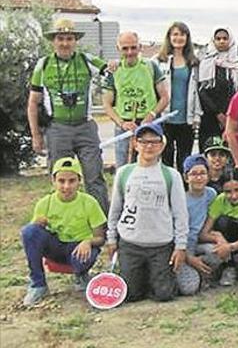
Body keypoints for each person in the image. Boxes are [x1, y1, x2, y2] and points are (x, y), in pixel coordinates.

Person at [28, 18, 109, 212]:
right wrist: (36, 135)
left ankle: (102, 225)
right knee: (61, 177)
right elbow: (33, 101)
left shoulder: (86, 60)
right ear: (53, 41)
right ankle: (62, 220)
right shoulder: (43, 64)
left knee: (94, 176)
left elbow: (113, 72)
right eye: (61, 38)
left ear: (75, 41)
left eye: (69, 38)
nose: (65, 43)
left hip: (85, 126)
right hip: (57, 128)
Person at [106, 123, 188, 302]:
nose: (149, 146)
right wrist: (112, 239)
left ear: (162, 145)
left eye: (154, 142)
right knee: (131, 295)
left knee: (164, 294)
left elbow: (180, 214)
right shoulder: (123, 173)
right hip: (130, 244)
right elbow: (115, 210)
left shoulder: (171, 175)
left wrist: (180, 246)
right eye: (143, 142)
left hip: (161, 245)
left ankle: (159, 277)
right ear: (135, 144)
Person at [20, 157, 106, 306]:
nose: (66, 186)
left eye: (72, 181)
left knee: (86, 255)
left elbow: (101, 238)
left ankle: (81, 275)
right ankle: (38, 284)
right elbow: (32, 236)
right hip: (56, 246)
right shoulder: (45, 203)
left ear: (79, 181)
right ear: (53, 181)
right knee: (29, 231)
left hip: (79, 249)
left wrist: (88, 241)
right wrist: (37, 224)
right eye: (61, 181)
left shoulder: (89, 202)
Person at [102, 31, 169, 167]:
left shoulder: (150, 66)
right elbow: (107, 104)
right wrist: (122, 123)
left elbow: (164, 97)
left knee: (151, 166)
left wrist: (150, 116)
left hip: (149, 124)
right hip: (125, 126)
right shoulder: (113, 71)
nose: (130, 52)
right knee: (124, 167)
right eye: (125, 48)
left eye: (133, 47)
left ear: (140, 47)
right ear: (118, 48)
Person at [154, 22, 202, 175]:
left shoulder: (194, 62)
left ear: (187, 38)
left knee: (184, 159)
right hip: (165, 118)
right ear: (169, 37)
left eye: (182, 34)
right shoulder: (158, 61)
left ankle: (183, 191)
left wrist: (196, 115)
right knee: (166, 158)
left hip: (185, 119)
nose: (178, 38)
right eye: (175, 34)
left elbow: (197, 91)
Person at [175, 154, 220, 296]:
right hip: (182, 247)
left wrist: (218, 238)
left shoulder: (211, 194)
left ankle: (204, 272)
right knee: (189, 288)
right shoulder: (180, 199)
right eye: (194, 174)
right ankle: (193, 272)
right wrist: (189, 258)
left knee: (217, 252)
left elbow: (211, 221)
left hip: (199, 241)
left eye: (202, 173)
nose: (199, 178)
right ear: (186, 177)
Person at [197, 27, 238, 151]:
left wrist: (228, 115)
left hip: (231, 117)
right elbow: (202, 91)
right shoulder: (205, 63)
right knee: (209, 153)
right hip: (209, 117)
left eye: (225, 38)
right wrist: (217, 113)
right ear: (213, 41)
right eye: (218, 39)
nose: (222, 41)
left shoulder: (237, 65)